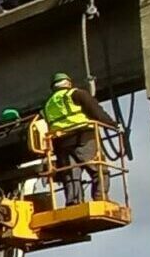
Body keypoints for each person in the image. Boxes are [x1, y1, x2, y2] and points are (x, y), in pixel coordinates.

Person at [42, 72, 115, 204]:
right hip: (84, 138)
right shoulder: (77, 94)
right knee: (98, 169)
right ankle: (101, 197)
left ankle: (73, 202)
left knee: (70, 175)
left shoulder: (47, 105)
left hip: (61, 144)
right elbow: (96, 112)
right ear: (68, 83)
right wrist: (113, 125)